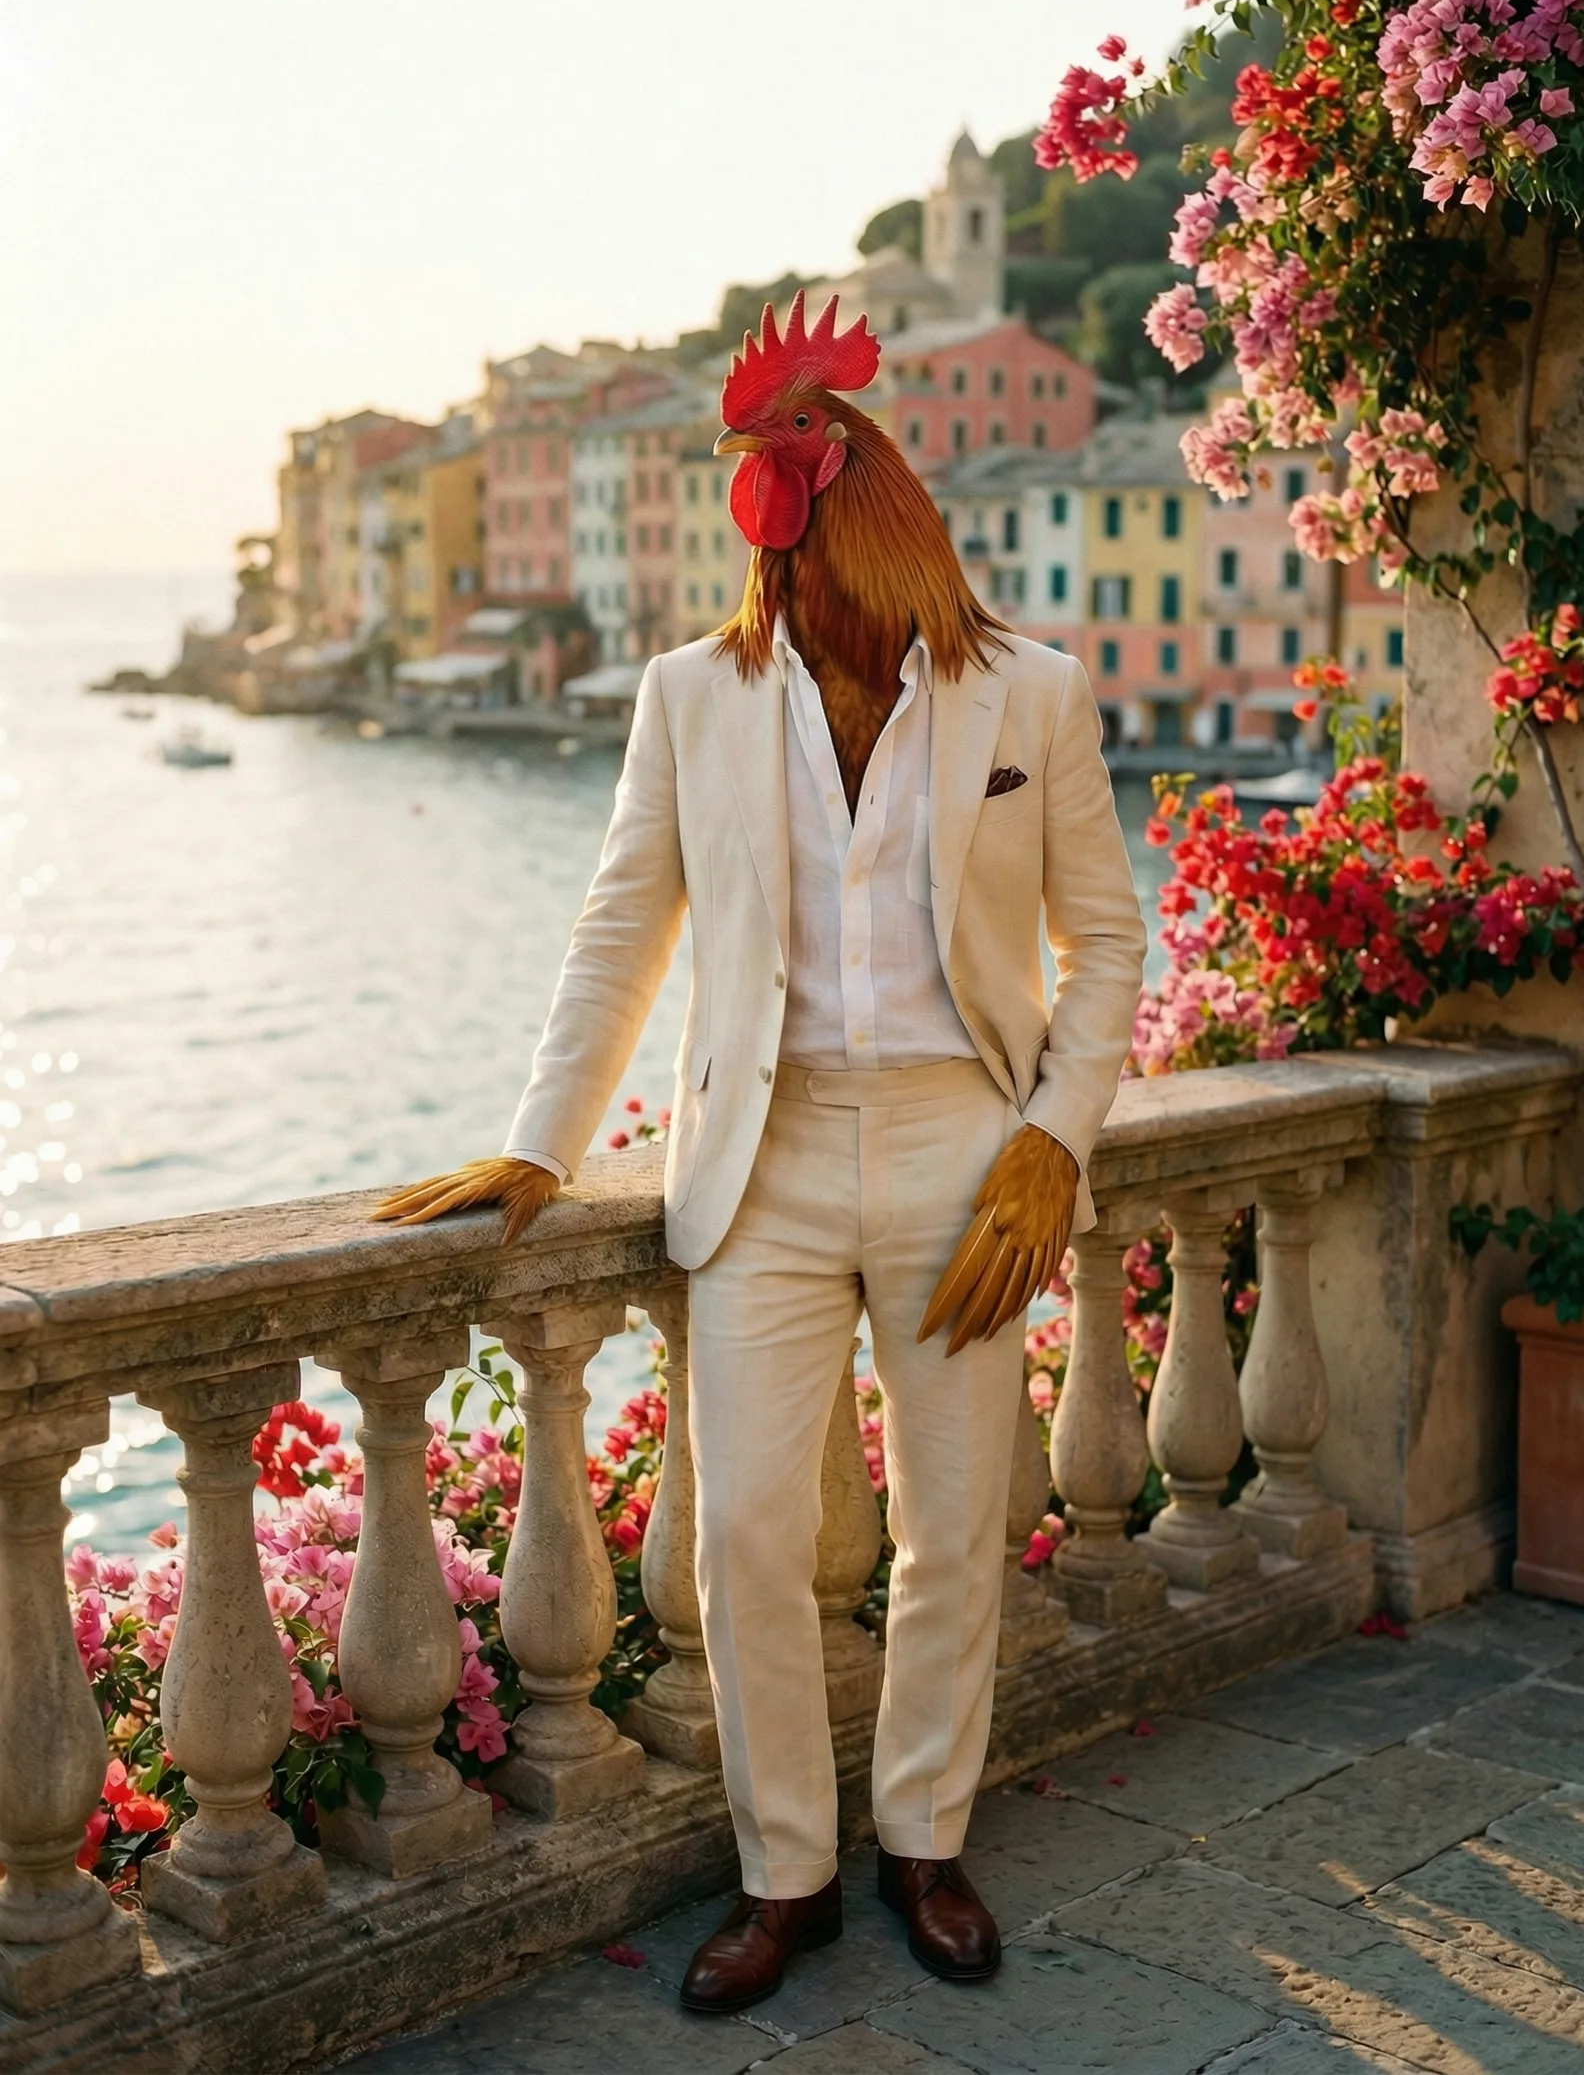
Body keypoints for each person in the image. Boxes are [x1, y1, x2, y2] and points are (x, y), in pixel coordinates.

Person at [378, 296, 1146, 2013]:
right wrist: (534, 1149)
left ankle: (926, 1838)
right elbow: (617, 931)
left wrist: (1049, 1143)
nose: (747, 465)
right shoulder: (689, 695)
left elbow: (1110, 942)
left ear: (839, 469)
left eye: (777, 439)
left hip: (966, 1147)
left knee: (957, 1529)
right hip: (769, 1159)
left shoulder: (1037, 692)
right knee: (741, 1539)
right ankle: (786, 1863)